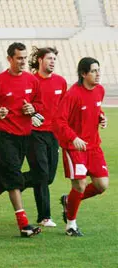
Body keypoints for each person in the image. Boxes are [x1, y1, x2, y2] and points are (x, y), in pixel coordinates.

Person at [0, 42, 42, 237]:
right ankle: (23, 223)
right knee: (13, 175)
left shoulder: (32, 81)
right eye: (19, 58)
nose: (23, 61)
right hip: (3, 134)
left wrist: (33, 108)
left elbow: (39, 103)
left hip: (24, 134)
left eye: (24, 57)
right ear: (9, 59)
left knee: (5, 174)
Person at [53, 57, 109, 237]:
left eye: (98, 70)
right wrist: (73, 137)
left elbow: (95, 110)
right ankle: (71, 225)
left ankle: (69, 201)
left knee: (102, 185)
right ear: (83, 74)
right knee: (80, 185)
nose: (98, 73)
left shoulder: (100, 90)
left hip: (94, 147)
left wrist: (102, 117)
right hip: (74, 147)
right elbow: (59, 121)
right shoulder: (72, 94)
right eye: (93, 71)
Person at [23, 47, 67, 227]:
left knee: (47, 177)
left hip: (53, 134)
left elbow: (65, 108)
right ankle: (44, 216)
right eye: (49, 58)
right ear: (40, 60)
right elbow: (22, 103)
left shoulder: (61, 82)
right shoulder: (30, 81)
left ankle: (12, 181)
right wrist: (30, 114)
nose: (52, 62)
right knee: (41, 174)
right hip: (34, 133)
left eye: (54, 59)